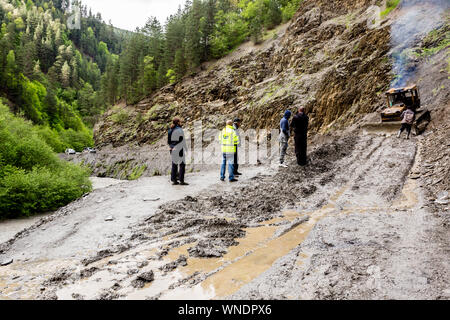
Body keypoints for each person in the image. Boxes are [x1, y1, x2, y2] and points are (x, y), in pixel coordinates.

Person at [168, 117, 188, 185]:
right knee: (182, 164)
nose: (181, 123)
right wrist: (185, 148)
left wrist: (171, 147)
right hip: (179, 149)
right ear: (178, 122)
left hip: (173, 149)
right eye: (180, 121)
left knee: (174, 164)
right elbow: (182, 140)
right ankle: (181, 180)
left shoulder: (170, 130)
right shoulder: (180, 130)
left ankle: (174, 180)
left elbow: (169, 141)